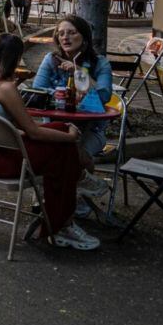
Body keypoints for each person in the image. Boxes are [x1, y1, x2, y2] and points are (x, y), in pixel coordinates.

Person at [0, 34, 103, 250]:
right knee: (63, 150)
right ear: (17, 57)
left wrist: (64, 133)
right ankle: (61, 224)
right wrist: (70, 137)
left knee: (60, 129)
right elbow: (32, 131)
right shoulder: (5, 87)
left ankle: (60, 213)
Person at [32, 16, 114, 200]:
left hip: (90, 129)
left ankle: (75, 200)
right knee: (56, 152)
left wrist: (79, 74)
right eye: (61, 33)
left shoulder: (101, 63)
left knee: (72, 154)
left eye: (71, 32)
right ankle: (70, 194)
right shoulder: (50, 60)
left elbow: (104, 96)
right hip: (56, 127)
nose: (65, 37)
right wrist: (60, 95)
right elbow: (37, 91)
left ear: (84, 37)